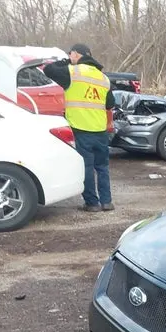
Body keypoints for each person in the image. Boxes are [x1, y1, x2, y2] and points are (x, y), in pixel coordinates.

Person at [43, 43, 115, 212]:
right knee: (102, 167)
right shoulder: (103, 78)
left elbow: (48, 69)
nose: (69, 56)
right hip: (100, 130)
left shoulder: (72, 72)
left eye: (71, 54)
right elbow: (110, 103)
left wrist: (65, 61)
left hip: (81, 129)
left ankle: (92, 203)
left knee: (86, 167)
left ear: (76, 54)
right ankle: (107, 202)